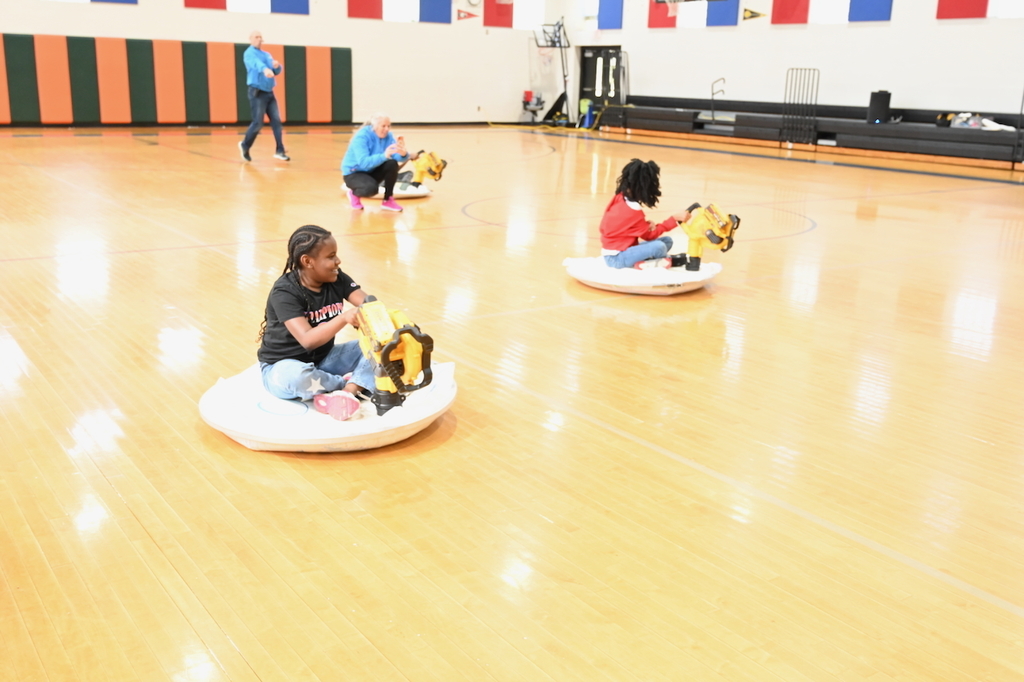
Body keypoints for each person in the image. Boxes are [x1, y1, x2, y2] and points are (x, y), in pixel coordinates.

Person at [257, 225, 373, 421]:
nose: (338, 261)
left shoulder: (337, 278)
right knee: (298, 377)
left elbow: (369, 304)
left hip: (324, 361)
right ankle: (351, 384)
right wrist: (345, 317)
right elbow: (307, 340)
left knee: (384, 344)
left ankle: (347, 391)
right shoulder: (285, 292)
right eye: (331, 256)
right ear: (308, 261)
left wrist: (376, 315)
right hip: (282, 367)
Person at [599, 159, 692, 269]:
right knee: (660, 246)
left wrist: (645, 225)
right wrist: (674, 220)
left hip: (619, 251)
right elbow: (649, 236)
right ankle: (654, 263)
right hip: (617, 258)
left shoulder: (620, 197)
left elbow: (621, 225)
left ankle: (652, 260)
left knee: (667, 241)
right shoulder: (633, 209)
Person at [341, 113, 419, 212]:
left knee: (392, 163)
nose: (387, 129)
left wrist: (403, 154)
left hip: (372, 170)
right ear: (375, 126)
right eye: (383, 126)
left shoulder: (389, 136)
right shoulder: (362, 137)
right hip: (354, 173)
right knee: (371, 189)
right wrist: (384, 155)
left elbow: (396, 156)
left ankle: (388, 200)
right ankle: (354, 193)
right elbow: (364, 163)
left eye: (388, 126)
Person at [239, 30, 289, 163]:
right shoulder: (249, 53)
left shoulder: (267, 54)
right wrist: (265, 69)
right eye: (256, 37)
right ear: (250, 39)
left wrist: (277, 67)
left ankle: (280, 150)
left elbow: (275, 69)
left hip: (269, 93)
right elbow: (256, 64)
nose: (259, 39)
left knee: (276, 121)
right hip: (257, 93)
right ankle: (245, 145)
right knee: (258, 123)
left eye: (261, 37)